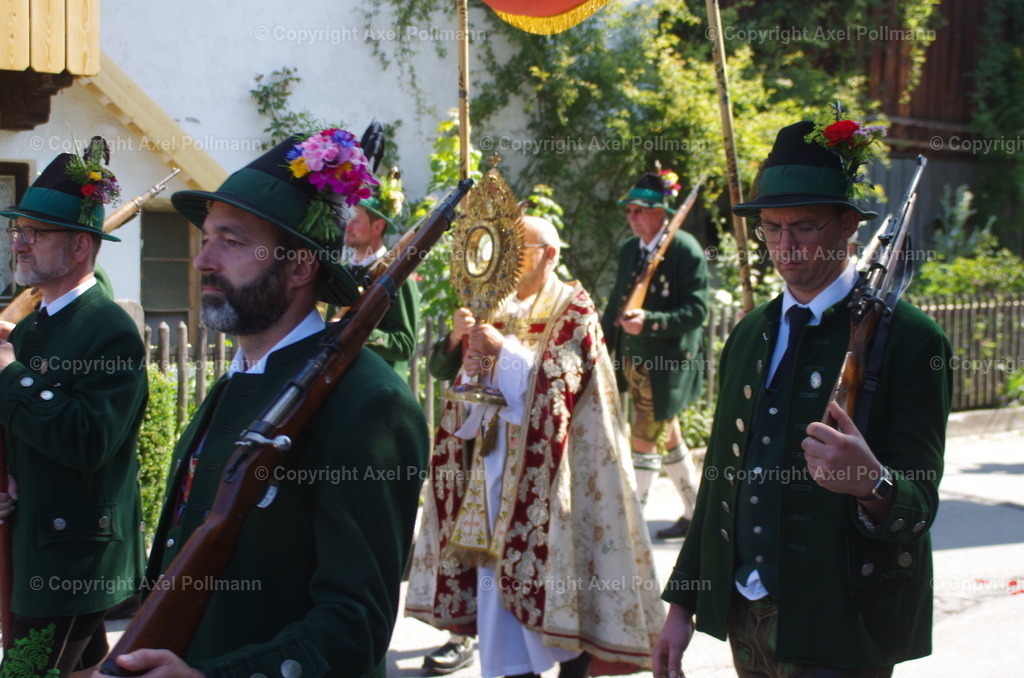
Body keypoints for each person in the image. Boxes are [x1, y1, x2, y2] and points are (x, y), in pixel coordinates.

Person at [99, 129, 429, 677]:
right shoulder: (242, 378)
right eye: (206, 238)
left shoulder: (370, 404)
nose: (202, 259)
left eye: (231, 240)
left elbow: (355, 626)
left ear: (300, 267)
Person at [652, 120, 953, 676]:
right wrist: (683, 605)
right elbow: (720, 476)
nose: (784, 246)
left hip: (843, 627)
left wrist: (873, 483)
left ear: (849, 227)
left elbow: (920, 506)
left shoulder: (911, 339)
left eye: (804, 227)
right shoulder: (749, 333)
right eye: (771, 227)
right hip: (747, 614)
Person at [407, 215, 665, 678]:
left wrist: (502, 351)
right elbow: (470, 391)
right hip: (493, 473)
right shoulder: (497, 308)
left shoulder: (574, 308)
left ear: (548, 253)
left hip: (555, 477)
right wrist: (473, 355)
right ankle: (510, 668)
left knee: (561, 586)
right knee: (496, 592)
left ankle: (574, 662)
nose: (505, 256)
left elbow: (562, 389)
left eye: (517, 248)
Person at [0, 143, 148, 676]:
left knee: (24, 673)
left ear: (81, 245)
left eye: (35, 234)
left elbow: (88, 442)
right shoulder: (36, 326)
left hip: (73, 555)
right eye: (18, 231)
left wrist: (10, 372)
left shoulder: (108, 329)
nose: (19, 243)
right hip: (36, 543)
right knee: (82, 668)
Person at [600, 172, 709, 539]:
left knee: (645, 437)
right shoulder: (630, 251)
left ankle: (632, 524)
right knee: (669, 435)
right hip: (635, 359)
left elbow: (696, 312)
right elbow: (617, 302)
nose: (631, 218)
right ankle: (696, 513)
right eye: (629, 211)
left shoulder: (685, 249)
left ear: (661, 212)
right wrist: (598, 343)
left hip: (669, 364)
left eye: (639, 211)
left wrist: (650, 322)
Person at [336, 168, 420, 377]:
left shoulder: (398, 276)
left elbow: (405, 345)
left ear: (378, 226)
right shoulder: (340, 274)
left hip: (377, 391)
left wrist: (355, 329)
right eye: (349, 219)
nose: (348, 227)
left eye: (356, 220)